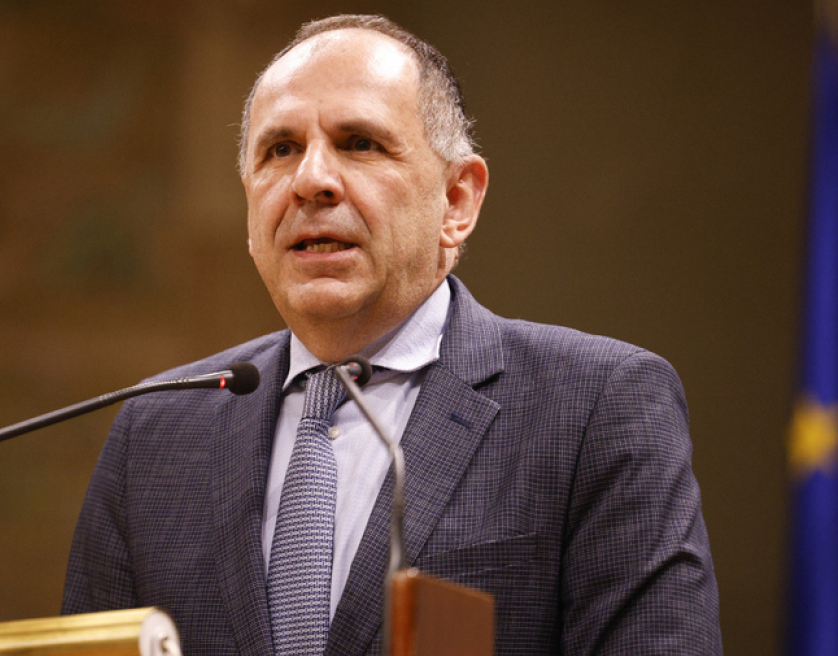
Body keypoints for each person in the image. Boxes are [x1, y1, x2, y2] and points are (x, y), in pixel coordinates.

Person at [62, 14, 721, 655]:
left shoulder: (596, 406)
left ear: (457, 201)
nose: (310, 181)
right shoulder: (156, 428)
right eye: (280, 150)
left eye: (360, 143)